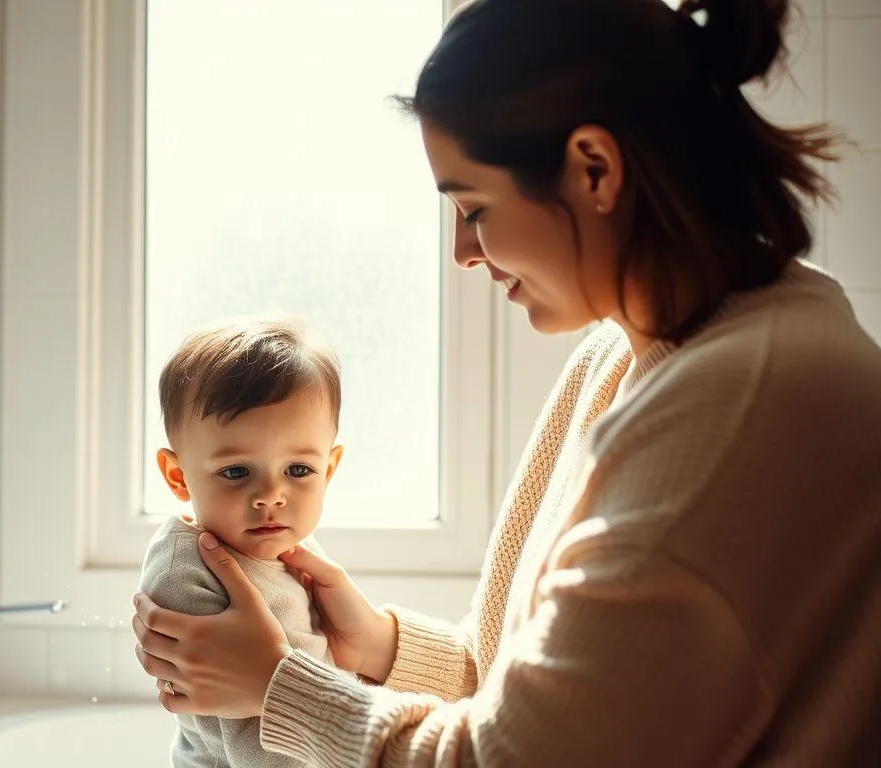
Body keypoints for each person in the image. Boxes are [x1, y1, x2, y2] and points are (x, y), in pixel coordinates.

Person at [131, 0, 881, 764]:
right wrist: (377, 644)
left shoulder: (747, 411)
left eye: (474, 207)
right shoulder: (624, 353)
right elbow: (525, 692)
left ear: (595, 168)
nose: (462, 251)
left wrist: (281, 687)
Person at [139, 315, 347, 767]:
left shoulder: (290, 547)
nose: (271, 496)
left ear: (328, 470)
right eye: (236, 472)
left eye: (299, 470)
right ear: (178, 476)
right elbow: (254, 742)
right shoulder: (187, 576)